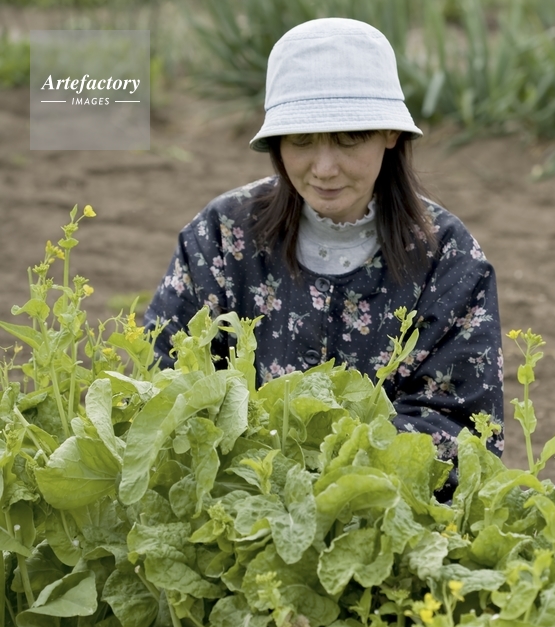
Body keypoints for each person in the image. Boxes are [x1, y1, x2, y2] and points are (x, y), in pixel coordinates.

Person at [144, 18, 504, 496]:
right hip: (238, 507)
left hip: (389, 516)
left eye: (348, 138)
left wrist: (338, 478)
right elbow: (165, 383)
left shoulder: (448, 258)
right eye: (302, 140)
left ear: (389, 134)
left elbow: (466, 429)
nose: (325, 168)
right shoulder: (221, 236)